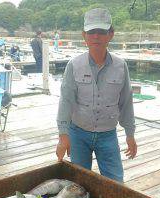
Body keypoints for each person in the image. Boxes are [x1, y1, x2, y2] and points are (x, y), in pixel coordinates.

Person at [56, 8, 137, 182]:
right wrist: (63, 135)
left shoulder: (121, 66)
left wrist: (130, 134)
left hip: (108, 134)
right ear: (84, 35)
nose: (96, 36)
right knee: (78, 183)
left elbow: (126, 102)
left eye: (101, 31)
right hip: (78, 133)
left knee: (116, 183)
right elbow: (66, 101)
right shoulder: (73, 65)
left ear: (111, 34)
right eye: (91, 32)